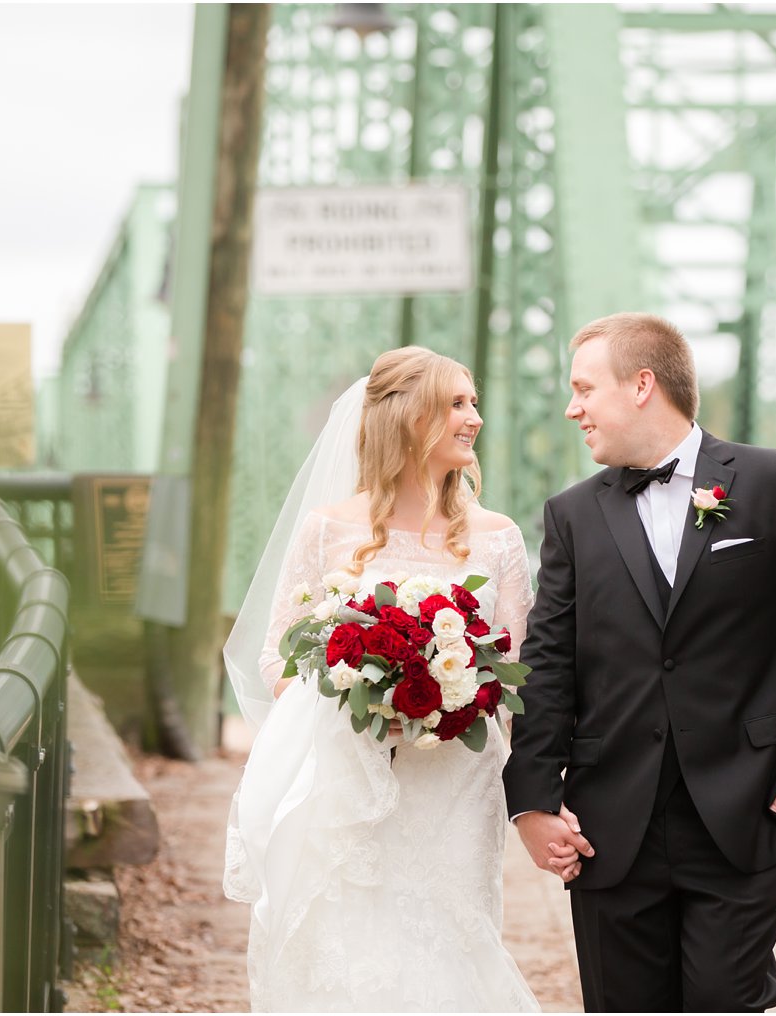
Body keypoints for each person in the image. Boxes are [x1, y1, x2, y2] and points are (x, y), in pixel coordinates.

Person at [504, 313, 776, 1012]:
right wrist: (531, 798)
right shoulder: (571, 517)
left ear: (642, 384)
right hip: (608, 824)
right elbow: (548, 662)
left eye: (585, 388)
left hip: (747, 811)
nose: (571, 408)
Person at [223, 347, 540, 1012]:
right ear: (408, 417)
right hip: (354, 777)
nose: (474, 417)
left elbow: (519, 669)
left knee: (454, 936)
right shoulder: (328, 531)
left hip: (457, 781)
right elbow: (280, 657)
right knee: (351, 941)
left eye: (473, 401)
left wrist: (451, 705)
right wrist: (366, 704)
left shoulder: (498, 538)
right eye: (457, 403)